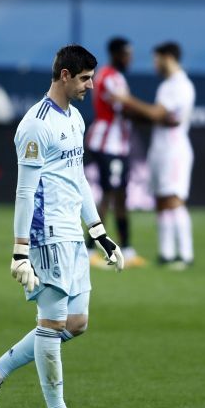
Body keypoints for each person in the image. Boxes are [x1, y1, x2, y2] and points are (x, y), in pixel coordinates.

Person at [0, 45, 123, 408]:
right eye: (86, 78)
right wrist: (20, 251)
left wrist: (100, 232)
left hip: (73, 232)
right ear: (66, 75)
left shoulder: (73, 118)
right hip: (46, 232)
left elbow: (79, 177)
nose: (91, 85)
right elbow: (24, 191)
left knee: (77, 323)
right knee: (52, 323)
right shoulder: (36, 125)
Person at [114, 42, 195, 269]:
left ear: (167, 58)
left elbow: (157, 113)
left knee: (174, 199)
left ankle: (185, 255)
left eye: (156, 59)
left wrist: (126, 100)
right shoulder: (167, 85)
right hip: (160, 149)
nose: (154, 64)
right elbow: (157, 118)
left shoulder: (180, 85)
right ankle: (167, 254)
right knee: (161, 200)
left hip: (175, 150)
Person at [84, 37, 146, 268]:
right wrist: (156, 115)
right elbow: (126, 106)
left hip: (118, 145)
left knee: (120, 195)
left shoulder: (114, 76)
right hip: (107, 144)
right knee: (109, 195)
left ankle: (126, 248)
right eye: (127, 54)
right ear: (117, 54)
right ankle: (89, 249)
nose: (130, 59)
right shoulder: (109, 77)